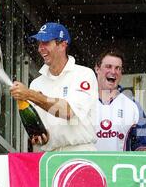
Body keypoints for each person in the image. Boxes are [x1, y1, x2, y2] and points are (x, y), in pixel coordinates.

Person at [10, 22, 98, 151]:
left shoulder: (84, 74)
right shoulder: (36, 83)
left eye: (45, 42)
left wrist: (30, 94)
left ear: (62, 45)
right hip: (49, 156)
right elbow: (39, 132)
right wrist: (40, 137)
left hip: (80, 152)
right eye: (39, 43)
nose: (40, 48)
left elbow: (68, 112)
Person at [94, 48, 146, 151]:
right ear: (97, 69)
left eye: (118, 68)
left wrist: (142, 151)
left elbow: (142, 142)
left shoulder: (134, 106)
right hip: (88, 166)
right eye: (108, 67)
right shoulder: (82, 100)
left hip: (118, 166)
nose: (113, 71)